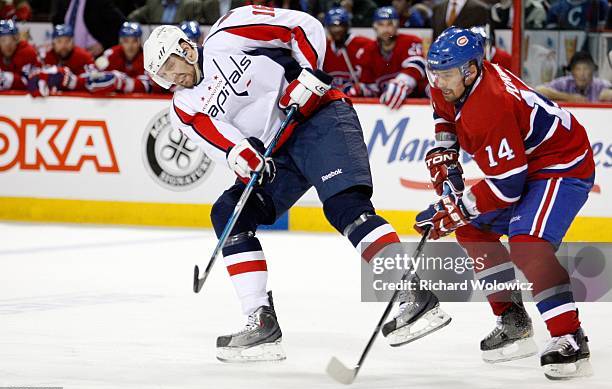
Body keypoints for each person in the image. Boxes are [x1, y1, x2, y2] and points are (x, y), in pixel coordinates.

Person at [143, 5, 451, 362]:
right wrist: (244, 156)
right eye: (161, 75)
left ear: (185, 49)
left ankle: (412, 293)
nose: (170, 78)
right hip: (279, 154)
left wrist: (309, 74)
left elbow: (302, 27)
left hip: (319, 118)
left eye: (169, 66)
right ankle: (260, 320)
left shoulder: (230, 31)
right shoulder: (183, 107)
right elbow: (223, 143)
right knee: (229, 213)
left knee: (345, 208)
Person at [415, 27, 595, 380]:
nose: (438, 81)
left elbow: (507, 187)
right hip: (524, 166)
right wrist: (445, 155)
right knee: (470, 229)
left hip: (560, 164)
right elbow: (444, 117)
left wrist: (453, 209)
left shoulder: (491, 103)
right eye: (434, 72)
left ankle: (568, 336)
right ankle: (512, 318)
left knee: (528, 244)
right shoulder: (449, 83)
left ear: (470, 70)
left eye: (447, 73)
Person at [348, 7, 427, 108]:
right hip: (385, 106)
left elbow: (417, 66)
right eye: (381, 24)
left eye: (389, 24)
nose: (385, 29)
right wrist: (361, 89)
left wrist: (401, 83)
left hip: (417, 103)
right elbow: (371, 86)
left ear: (397, 25)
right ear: (375, 27)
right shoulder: (366, 51)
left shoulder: (411, 41)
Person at [322, 7, 373, 90]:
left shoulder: (364, 44)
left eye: (340, 26)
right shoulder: (324, 47)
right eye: (333, 26)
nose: (337, 30)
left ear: (347, 26)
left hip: (359, 99)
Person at [94, 21, 152, 93]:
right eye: (126, 41)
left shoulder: (147, 58)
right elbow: (94, 78)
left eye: (134, 41)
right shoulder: (110, 54)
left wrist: (123, 83)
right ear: (120, 42)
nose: (130, 46)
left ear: (140, 42)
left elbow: (148, 86)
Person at [536, 51, 612, 103]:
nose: (582, 74)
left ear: (592, 71)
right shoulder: (564, 83)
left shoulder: (601, 85)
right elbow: (538, 90)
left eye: (586, 69)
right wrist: (568, 97)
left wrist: (607, 95)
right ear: (572, 72)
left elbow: (608, 92)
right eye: (578, 69)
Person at [0, 19, 39, 91]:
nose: (8, 44)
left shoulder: (27, 52)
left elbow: (30, 82)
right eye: (3, 40)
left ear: (17, 39)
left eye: (12, 39)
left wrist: (7, 78)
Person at [128, 0, 207, 24]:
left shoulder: (192, 4)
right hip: (157, 43)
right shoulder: (153, 3)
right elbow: (132, 17)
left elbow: (199, 25)